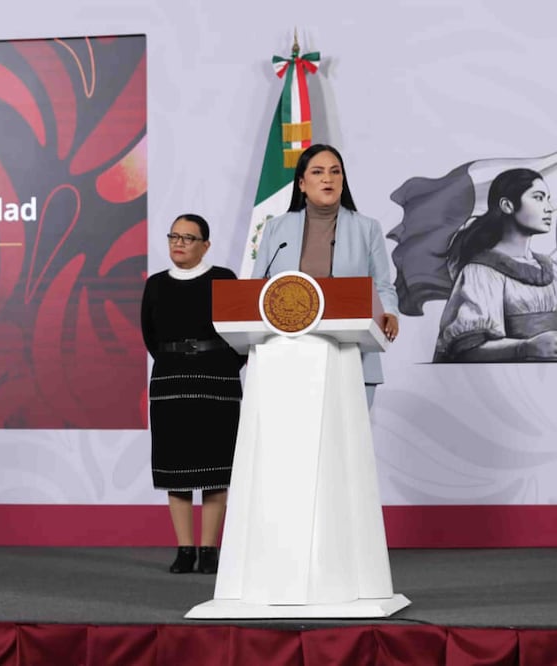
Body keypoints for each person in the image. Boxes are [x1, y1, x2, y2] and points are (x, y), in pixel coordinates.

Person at [251, 144, 399, 406]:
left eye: (335, 172)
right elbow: (257, 288)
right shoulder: (276, 229)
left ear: (343, 180)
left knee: (346, 443)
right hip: (288, 353)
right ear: (302, 184)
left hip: (351, 352)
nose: (328, 178)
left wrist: (390, 312)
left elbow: (382, 286)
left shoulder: (367, 228)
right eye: (318, 172)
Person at [141, 213, 244, 574]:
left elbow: (239, 332)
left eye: (188, 237)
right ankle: (185, 549)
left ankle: (209, 549)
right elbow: (150, 336)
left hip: (217, 380)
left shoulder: (223, 279)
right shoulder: (155, 284)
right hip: (171, 381)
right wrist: (176, 359)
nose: (179, 243)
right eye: (174, 236)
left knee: (215, 469)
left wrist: (221, 363)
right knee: (177, 469)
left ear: (206, 245)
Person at [434, 168, 557, 362]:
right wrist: (526, 348)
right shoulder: (481, 272)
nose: (549, 208)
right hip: (506, 383)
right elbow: (466, 349)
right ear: (507, 205)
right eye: (539, 197)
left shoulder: (552, 269)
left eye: (548, 198)